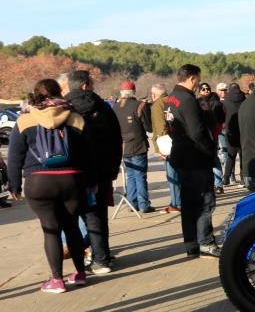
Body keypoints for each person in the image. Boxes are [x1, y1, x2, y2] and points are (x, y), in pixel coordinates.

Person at [7, 79, 94, 292]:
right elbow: (88, 155)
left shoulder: (24, 120)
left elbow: (15, 157)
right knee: (72, 226)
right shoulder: (75, 117)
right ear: (59, 94)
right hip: (72, 180)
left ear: (36, 95)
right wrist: (91, 182)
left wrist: (14, 185)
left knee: (51, 230)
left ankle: (56, 280)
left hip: (39, 182)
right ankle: (80, 273)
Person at [61, 70, 122, 275]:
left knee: (71, 219)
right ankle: (101, 258)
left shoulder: (64, 109)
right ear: (86, 85)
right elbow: (116, 140)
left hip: (72, 172)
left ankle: (80, 260)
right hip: (102, 170)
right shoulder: (104, 107)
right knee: (97, 216)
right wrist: (113, 169)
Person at [166, 65, 219, 258]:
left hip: (180, 153)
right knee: (205, 202)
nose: (198, 83)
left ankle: (191, 242)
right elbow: (197, 131)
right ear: (191, 78)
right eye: (197, 79)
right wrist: (209, 149)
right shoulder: (187, 100)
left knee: (188, 203)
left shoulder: (170, 98)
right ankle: (205, 241)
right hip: (194, 156)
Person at [113, 81, 154, 213]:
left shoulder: (115, 107)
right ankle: (143, 204)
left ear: (121, 92)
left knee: (131, 175)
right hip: (138, 145)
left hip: (122, 146)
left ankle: (133, 203)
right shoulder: (140, 105)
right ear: (134, 92)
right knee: (140, 175)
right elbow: (149, 127)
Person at [149, 83, 180, 213]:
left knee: (172, 175)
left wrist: (161, 149)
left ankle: (176, 203)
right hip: (179, 141)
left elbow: (160, 129)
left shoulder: (157, 105)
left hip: (168, 144)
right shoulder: (173, 100)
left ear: (153, 94)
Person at [197, 82, 226, 194]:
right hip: (201, 135)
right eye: (203, 89)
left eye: (207, 89)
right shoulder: (197, 102)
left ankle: (218, 185)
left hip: (212, 134)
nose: (205, 91)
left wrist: (214, 128)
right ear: (199, 91)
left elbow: (221, 119)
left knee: (214, 159)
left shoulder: (216, 102)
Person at [221, 82, 245, 186]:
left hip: (230, 131)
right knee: (243, 156)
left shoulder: (225, 101)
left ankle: (226, 178)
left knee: (231, 155)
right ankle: (243, 178)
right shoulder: (244, 99)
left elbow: (222, 115)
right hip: (243, 131)